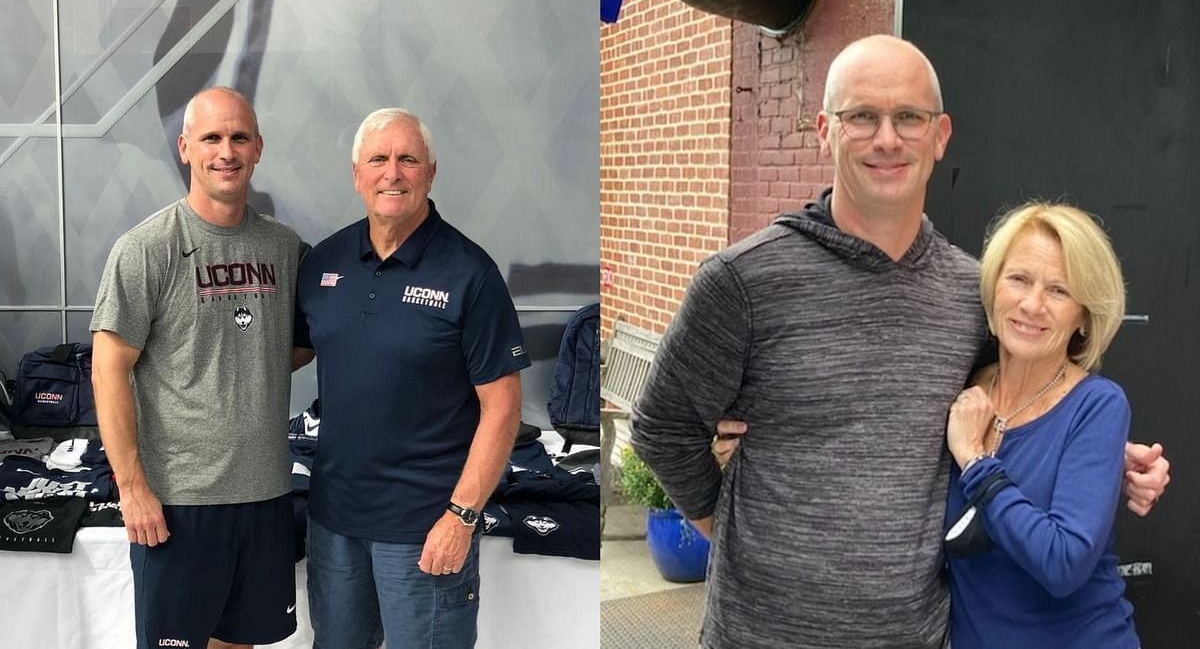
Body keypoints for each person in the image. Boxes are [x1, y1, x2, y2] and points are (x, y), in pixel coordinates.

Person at [631, 35, 1169, 649]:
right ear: (825, 131)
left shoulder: (975, 294)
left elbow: (1027, 399)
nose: (887, 139)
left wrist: (1109, 461)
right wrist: (732, 527)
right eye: (862, 116)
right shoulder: (745, 281)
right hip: (764, 634)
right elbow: (662, 425)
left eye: (908, 117)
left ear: (939, 136)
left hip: (917, 636)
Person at [293, 108, 529, 648]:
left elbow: (503, 407)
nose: (392, 173)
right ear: (357, 174)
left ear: (430, 172)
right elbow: (288, 354)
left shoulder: (470, 273)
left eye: (408, 159)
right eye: (378, 159)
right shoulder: (324, 262)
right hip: (335, 525)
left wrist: (461, 516)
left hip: (424, 528)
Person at [91, 86, 304, 649]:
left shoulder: (286, 249)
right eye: (211, 138)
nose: (225, 151)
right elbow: (108, 369)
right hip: (180, 502)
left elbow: (300, 343)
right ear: (185, 147)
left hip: (264, 495)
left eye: (238, 138)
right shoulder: (146, 249)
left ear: (259, 148)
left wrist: (248, 362)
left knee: (240, 643)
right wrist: (132, 487)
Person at [943, 202, 1138, 646]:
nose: (1032, 304)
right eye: (1019, 279)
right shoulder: (965, 390)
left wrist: (975, 462)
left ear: (1084, 315)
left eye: (1059, 291)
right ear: (993, 288)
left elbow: (1063, 563)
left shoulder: (1096, 406)